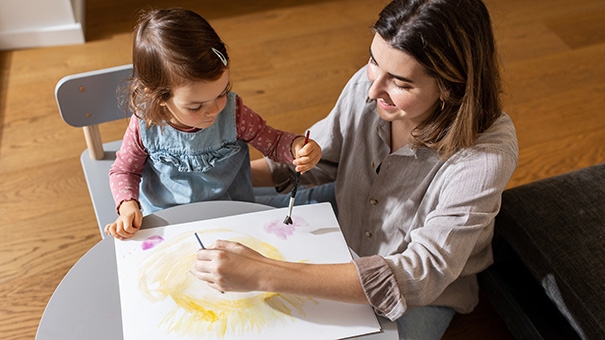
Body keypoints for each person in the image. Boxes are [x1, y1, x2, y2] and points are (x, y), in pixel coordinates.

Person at [194, 0, 518, 338]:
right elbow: (318, 162)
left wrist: (264, 273)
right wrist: (210, 176)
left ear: (452, 85)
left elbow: (419, 273)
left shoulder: (485, 157)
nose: (374, 89)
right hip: (342, 225)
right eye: (373, 61)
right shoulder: (371, 89)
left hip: (421, 296)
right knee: (226, 212)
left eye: (401, 83)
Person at [104, 8, 321, 240]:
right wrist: (128, 207)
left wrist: (297, 147)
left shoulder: (234, 114)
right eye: (196, 106)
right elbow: (124, 170)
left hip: (232, 214)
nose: (216, 109)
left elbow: (274, 141)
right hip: (167, 221)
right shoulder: (145, 126)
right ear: (160, 97)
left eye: (221, 93)